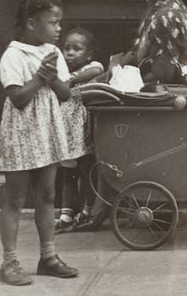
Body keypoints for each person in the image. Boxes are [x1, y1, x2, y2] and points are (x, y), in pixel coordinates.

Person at [0, 0, 79, 286]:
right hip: (20, 133)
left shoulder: (51, 53)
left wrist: (52, 76)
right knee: (15, 198)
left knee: (48, 194)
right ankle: (10, 262)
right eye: (53, 22)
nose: (58, 28)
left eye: (59, 23)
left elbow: (65, 94)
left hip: (46, 132)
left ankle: (48, 256)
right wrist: (39, 78)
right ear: (32, 23)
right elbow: (17, 98)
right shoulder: (13, 55)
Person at [54, 28, 104, 231]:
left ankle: (88, 209)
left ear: (89, 54)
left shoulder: (90, 68)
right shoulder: (60, 71)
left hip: (84, 132)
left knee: (86, 171)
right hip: (66, 133)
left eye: (77, 49)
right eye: (66, 48)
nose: (70, 53)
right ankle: (67, 212)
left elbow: (97, 70)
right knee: (68, 175)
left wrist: (73, 80)